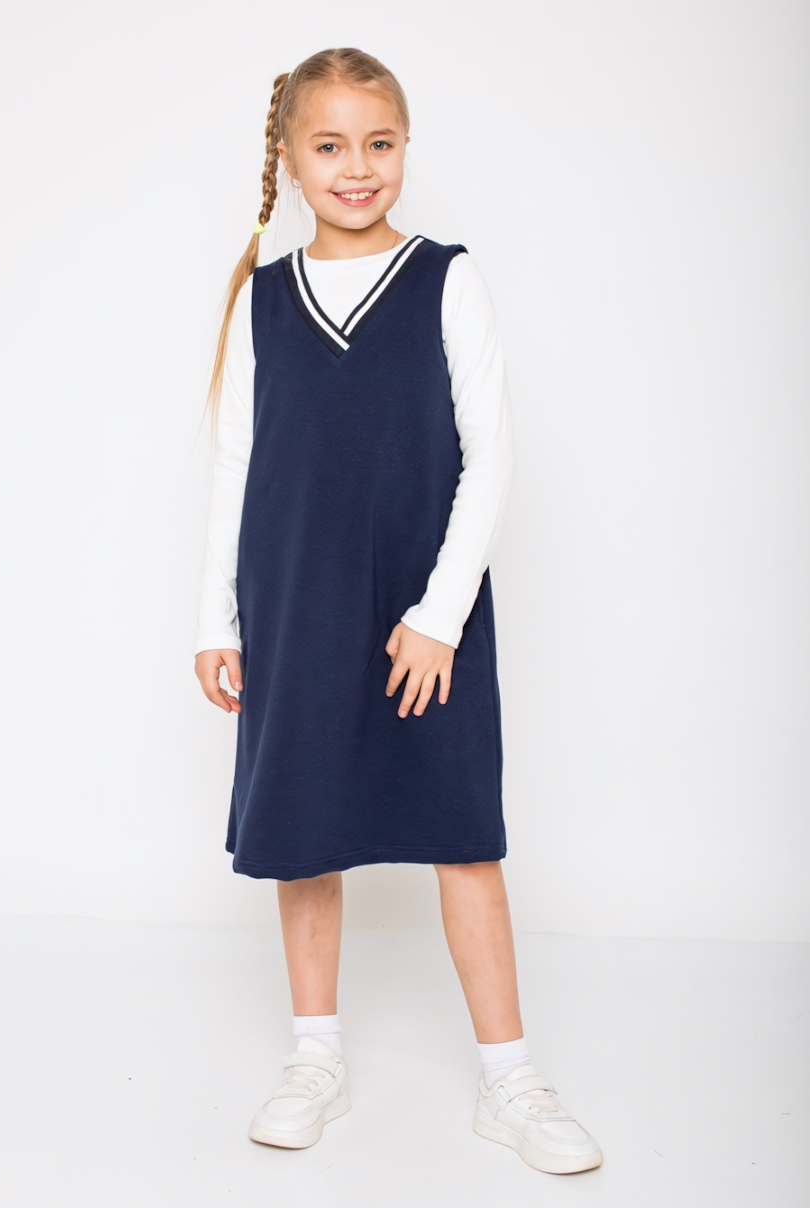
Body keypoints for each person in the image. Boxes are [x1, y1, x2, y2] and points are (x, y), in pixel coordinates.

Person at [194, 47, 602, 1174]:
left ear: (406, 147)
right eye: (330, 145)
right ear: (291, 157)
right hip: (295, 602)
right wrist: (216, 617)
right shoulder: (263, 298)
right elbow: (235, 462)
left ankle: (510, 1077)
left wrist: (439, 614)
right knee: (303, 833)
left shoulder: (446, 279)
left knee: (461, 834)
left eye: (378, 142)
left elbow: (491, 455)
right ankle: (314, 1056)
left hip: (424, 617)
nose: (357, 166)